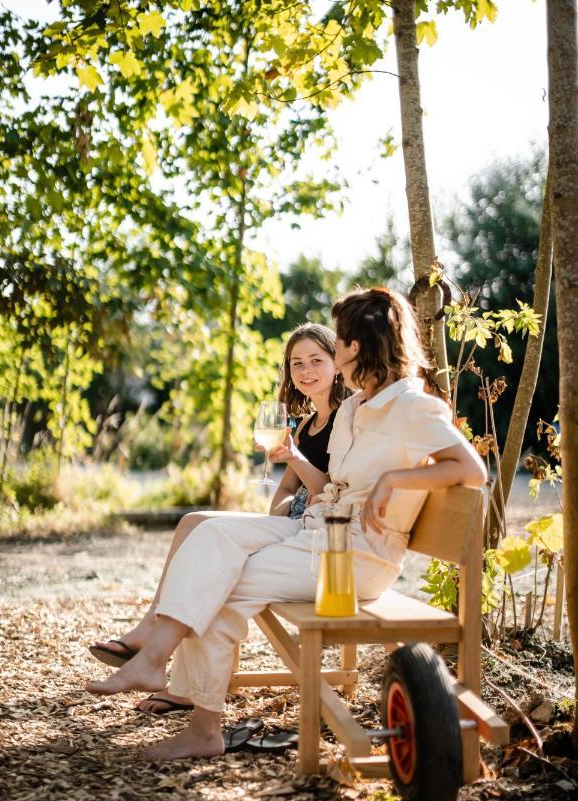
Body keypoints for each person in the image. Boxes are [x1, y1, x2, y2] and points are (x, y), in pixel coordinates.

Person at [86, 286, 486, 761]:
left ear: (356, 346)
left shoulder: (412, 406)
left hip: (357, 556)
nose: (335, 352)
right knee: (210, 534)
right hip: (317, 530)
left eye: (337, 342)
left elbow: (471, 470)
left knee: (224, 584)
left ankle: (199, 724)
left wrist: (396, 480)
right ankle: (154, 663)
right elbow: (329, 485)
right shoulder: (357, 407)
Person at [89, 322, 347, 713]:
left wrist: (293, 458)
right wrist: (273, 518)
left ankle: (176, 677)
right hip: (290, 523)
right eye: (297, 363)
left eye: (316, 360)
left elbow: (326, 486)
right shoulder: (307, 424)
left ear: (336, 365)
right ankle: (149, 629)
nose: (306, 370)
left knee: (211, 561)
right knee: (193, 521)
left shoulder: (345, 420)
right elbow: (284, 490)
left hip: (312, 531)